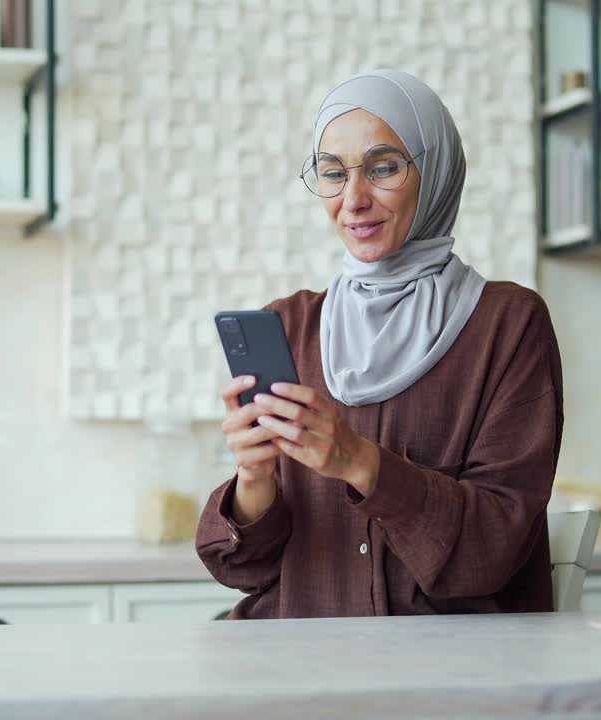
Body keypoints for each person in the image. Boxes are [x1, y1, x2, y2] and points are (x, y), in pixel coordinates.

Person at [196, 69, 563, 619]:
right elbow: (245, 569)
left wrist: (360, 462)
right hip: (300, 663)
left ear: (434, 171)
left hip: (451, 676)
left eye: (384, 167)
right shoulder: (291, 325)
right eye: (333, 173)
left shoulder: (507, 325)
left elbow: (496, 545)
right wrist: (254, 477)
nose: (354, 199)